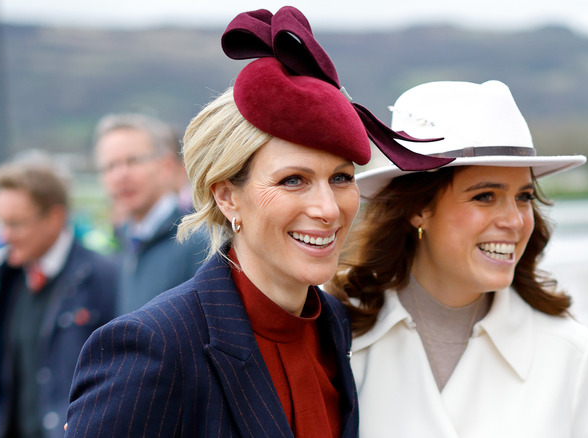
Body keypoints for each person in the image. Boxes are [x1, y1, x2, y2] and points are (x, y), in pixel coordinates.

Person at [64, 7, 436, 437]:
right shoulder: (155, 345)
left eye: (341, 178)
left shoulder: (331, 323)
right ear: (226, 196)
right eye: (293, 180)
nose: (328, 209)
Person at [331, 80, 588, 437]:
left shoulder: (566, 348)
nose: (514, 220)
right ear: (418, 209)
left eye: (523, 197)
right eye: (485, 196)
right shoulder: (340, 334)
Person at [0, 156, 117, 438]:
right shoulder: (7, 278)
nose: (4, 235)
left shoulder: (106, 278)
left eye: (16, 224)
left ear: (55, 217)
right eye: (0, 223)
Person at [93, 112, 207, 314]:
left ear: (166, 166)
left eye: (133, 161)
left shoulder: (197, 240)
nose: (121, 175)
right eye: (110, 166)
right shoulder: (125, 242)